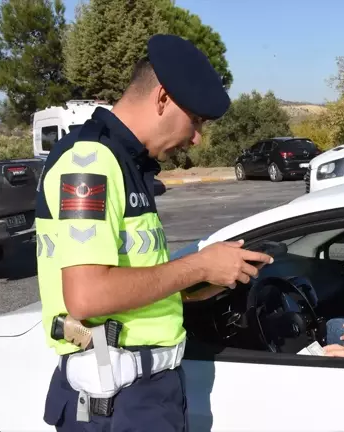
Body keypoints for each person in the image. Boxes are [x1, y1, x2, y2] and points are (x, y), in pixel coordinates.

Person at [35, 34, 273, 431]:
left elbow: (129, 283)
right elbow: (87, 296)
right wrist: (197, 267)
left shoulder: (126, 163)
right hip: (117, 402)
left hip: (146, 395)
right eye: (195, 120)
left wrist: (200, 282)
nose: (196, 137)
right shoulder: (90, 162)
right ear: (162, 98)